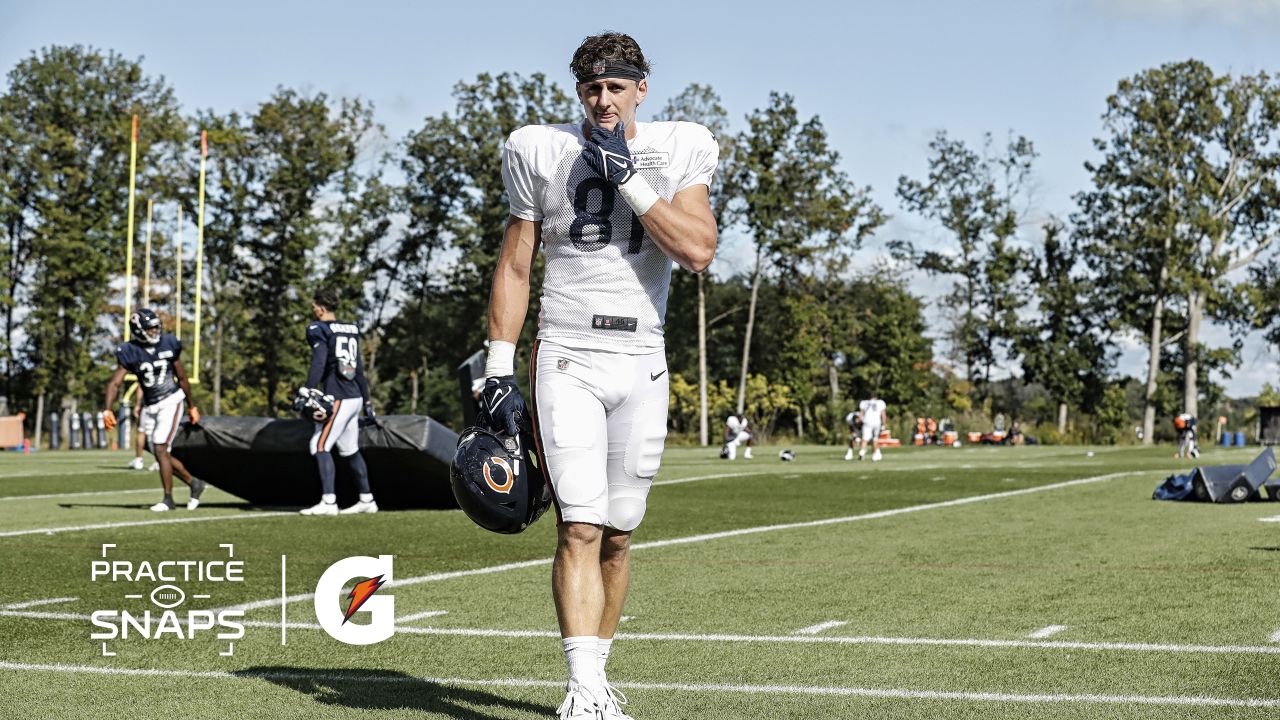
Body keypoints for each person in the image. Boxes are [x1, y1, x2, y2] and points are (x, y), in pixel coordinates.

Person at [478, 31, 717, 720]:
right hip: (568, 353)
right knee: (578, 526)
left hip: (642, 357)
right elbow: (518, 263)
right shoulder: (538, 148)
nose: (602, 98)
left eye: (616, 86)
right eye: (591, 87)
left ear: (642, 87)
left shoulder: (681, 147)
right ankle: (581, 688)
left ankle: (599, 676)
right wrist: (498, 365)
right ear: (577, 90)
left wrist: (630, 178)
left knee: (619, 532)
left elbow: (698, 250)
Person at [102, 308, 206, 511]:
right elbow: (115, 383)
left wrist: (192, 406)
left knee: (160, 447)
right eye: (150, 328)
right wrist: (107, 409)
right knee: (156, 449)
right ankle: (194, 483)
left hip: (171, 400)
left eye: (156, 326)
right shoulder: (129, 351)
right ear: (139, 330)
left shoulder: (169, 343)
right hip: (150, 403)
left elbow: (182, 377)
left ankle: (168, 499)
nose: (155, 331)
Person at [298, 289, 378, 516]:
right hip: (355, 396)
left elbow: (319, 361)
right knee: (350, 449)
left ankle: (329, 502)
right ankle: (367, 499)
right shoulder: (351, 329)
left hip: (339, 396)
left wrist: (309, 389)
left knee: (320, 445)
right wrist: (367, 401)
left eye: (314, 306)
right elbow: (359, 369)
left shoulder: (318, 329)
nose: (313, 310)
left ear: (320, 307)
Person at [858, 393, 888, 461]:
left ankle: (862, 452)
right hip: (876, 422)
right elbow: (883, 415)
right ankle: (874, 455)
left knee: (865, 438)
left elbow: (861, 414)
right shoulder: (880, 403)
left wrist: (859, 422)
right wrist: (883, 424)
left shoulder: (864, 402)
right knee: (875, 439)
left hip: (867, 421)